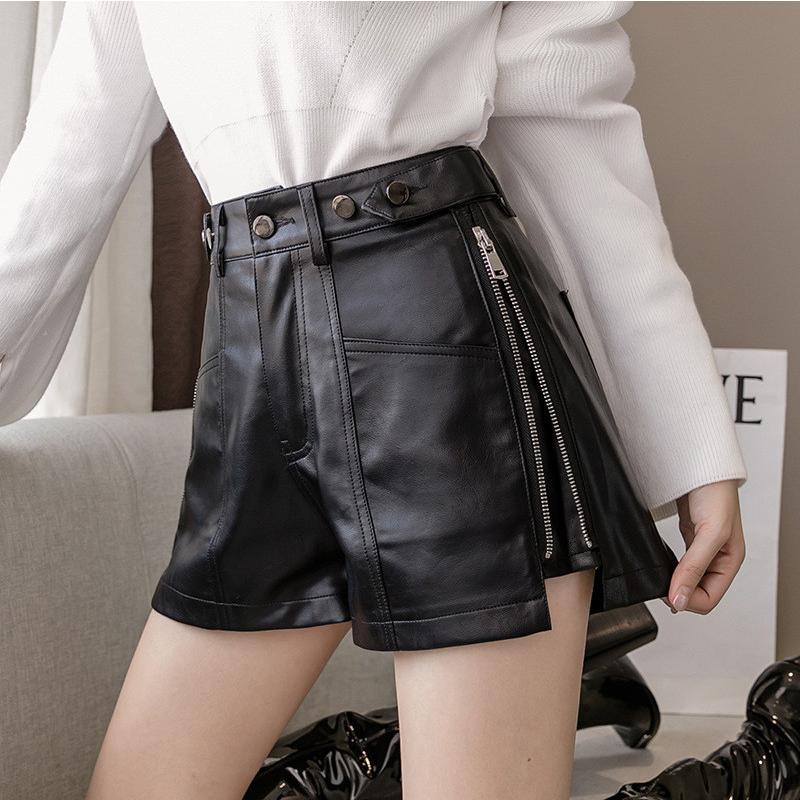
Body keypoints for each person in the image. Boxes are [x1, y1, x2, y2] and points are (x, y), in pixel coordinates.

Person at [0, 3, 747, 799]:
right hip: (250, 365)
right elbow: (66, 163)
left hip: (446, 364)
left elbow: (571, 137)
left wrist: (691, 444)